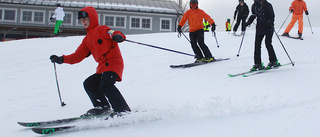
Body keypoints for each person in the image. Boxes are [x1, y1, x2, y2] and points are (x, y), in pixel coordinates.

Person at [50, 6, 131, 116]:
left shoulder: (102, 29)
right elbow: (77, 56)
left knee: (106, 85)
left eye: (85, 19)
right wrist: (61, 59)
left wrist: (118, 35)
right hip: (102, 68)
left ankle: (123, 110)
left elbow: (112, 32)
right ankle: (102, 106)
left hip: (113, 64)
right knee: (89, 83)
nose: (83, 22)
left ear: (92, 18)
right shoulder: (87, 39)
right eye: (81, 20)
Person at [245, 0, 280, 71]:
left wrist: (271, 21)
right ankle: (258, 63)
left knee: (268, 44)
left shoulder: (268, 5)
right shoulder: (254, 6)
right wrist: (248, 22)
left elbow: (272, 15)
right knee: (257, 45)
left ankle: (273, 61)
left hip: (268, 27)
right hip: (259, 28)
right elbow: (253, 15)